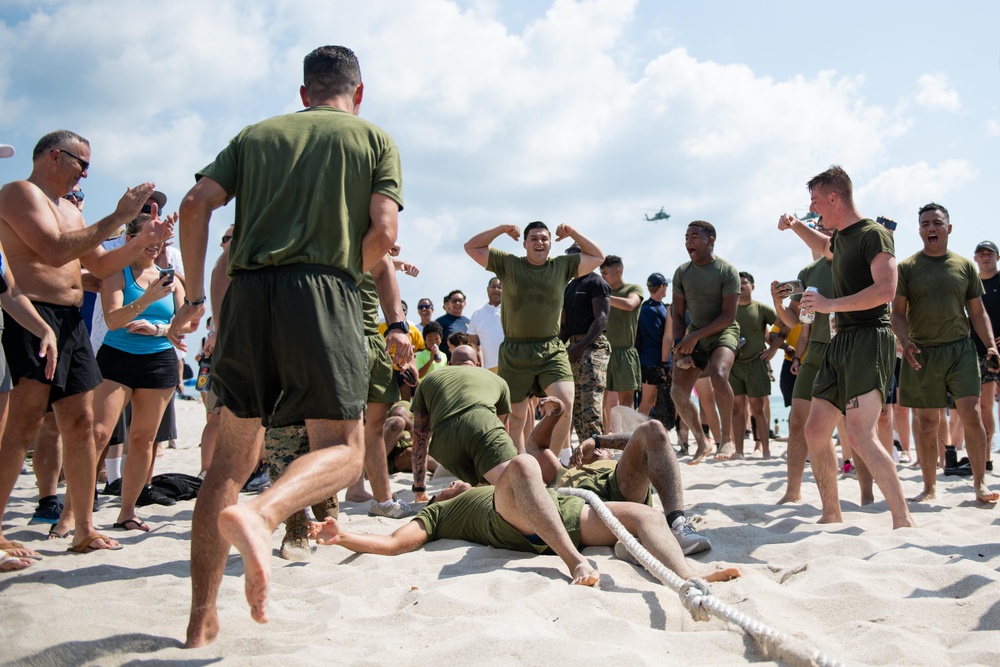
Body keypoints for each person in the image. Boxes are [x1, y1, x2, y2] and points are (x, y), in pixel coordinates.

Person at [168, 46, 403, 646]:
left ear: (304, 93)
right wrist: (344, 273)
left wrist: (195, 295)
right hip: (323, 290)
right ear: (359, 90)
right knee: (346, 448)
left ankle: (200, 619)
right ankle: (264, 513)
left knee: (229, 460)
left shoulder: (255, 135)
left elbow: (194, 206)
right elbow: (385, 232)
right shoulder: (371, 139)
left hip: (246, 293)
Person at [0, 130, 171, 556]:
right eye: (83, 164)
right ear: (55, 157)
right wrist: (116, 218)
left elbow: (98, 264)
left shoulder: (72, 212)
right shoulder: (19, 193)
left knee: (79, 424)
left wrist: (141, 241)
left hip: (72, 322)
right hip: (31, 317)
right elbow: (53, 251)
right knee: (21, 428)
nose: (86, 175)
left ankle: (84, 529)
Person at [309, 457, 739, 587]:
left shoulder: (477, 483)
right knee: (521, 465)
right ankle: (574, 562)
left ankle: (687, 576)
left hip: (564, 515)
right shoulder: (435, 513)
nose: (450, 484)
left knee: (644, 514)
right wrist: (343, 536)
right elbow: (394, 543)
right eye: (442, 485)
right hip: (509, 521)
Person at [779, 165, 914, 529]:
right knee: (814, 431)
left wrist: (828, 305)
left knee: (859, 433)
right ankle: (831, 513)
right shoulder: (838, 239)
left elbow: (886, 291)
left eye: (816, 201)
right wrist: (794, 225)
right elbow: (823, 247)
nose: (814, 207)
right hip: (842, 341)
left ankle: (902, 520)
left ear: (834, 197)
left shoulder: (874, 234)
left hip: (871, 336)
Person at [890, 203, 998, 503]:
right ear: (920, 230)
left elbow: (978, 313)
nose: (931, 228)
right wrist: (905, 340)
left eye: (937, 223)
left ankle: (979, 484)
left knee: (972, 414)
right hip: (921, 352)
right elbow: (896, 313)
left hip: (960, 350)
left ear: (949, 228)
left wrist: (989, 344)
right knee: (926, 422)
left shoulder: (964, 266)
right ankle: (929, 487)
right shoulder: (907, 268)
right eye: (925, 224)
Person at [464, 222, 604, 454]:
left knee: (565, 402)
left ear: (551, 243)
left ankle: (556, 463)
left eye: (544, 239)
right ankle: (522, 464)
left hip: (550, 348)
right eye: (534, 239)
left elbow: (597, 256)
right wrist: (501, 229)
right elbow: (471, 247)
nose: (539, 243)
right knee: (517, 416)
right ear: (525, 243)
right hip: (514, 351)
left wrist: (574, 234)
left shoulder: (562, 265)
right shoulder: (509, 263)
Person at [90, 213, 188, 532]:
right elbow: (114, 320)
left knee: (143, 439)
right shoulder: (116, 274)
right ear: (132, 238)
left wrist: (158, 329)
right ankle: (76, 512)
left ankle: (127, 512)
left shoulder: (171, 278)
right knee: (98, 434)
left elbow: (184, 324)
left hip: (158, 362)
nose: (155, 245)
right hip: (116, 357)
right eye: (149, 237)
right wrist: (146, 299)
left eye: (160, 240)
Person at [527, 396, 711, 555]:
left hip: (618, 489)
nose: (599, 450)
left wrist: (597, 440)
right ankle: (637, 543)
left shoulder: (617, 468)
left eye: (603, 450)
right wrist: (556, 413)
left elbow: (650, 439)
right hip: (579, 510)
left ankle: (677, 524)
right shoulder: (563, 473)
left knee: (654, 427)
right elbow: (535, 446)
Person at [770, 220, 836, 504]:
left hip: (849, 348)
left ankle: (866, 493)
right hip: (815, 351)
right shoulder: (808, 273)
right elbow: (799, 322)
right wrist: (777, 304)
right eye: (819, 227)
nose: (823, 231)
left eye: (829, 228)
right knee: (797, 420)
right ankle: (792, 491)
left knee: (850, 428)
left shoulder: (854, 263)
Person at [669, 221, 740, 464]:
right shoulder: (681, 272)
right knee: (677, 392)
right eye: (686, 236)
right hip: (694, 334)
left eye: (695, 236)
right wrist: (680, 347)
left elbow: (728, 316)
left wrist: (694, 337)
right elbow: (677, 316)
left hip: (723, 332)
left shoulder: (727, 271)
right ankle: (701, 442)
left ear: (711, 240)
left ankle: (727, 438)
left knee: (719, 374)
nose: (688, 241)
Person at [408, 345, 518, 497]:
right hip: (483, 425)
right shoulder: (498, 380)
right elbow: (503, 429)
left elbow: (420, 437)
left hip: (444, 443)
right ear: (478, 365)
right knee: (515, 491)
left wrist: (419, 490)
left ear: (450, 364)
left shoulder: (429, 378)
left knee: (482, 490)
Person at [560, 245, 611, 443]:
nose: (572, 262)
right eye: (568, 258)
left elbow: (601, 319)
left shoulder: (596, 281)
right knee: (577, 406)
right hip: (573, 349)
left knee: (591, 404)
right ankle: (585, 450)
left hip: (593, 348)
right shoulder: (569, 287)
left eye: (576, 257)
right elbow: (565, 326)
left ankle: (596, 452)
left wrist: (581, 346)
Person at [729, 272, 778, 459]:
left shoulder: (762, 309)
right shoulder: (728, 310)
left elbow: (784, 324)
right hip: (734, 366)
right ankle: (739, 451)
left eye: (744, 283)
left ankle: (765, 450)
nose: (741, 286)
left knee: (759, 409)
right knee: (737, 409)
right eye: (738, 284)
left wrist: (774, 349)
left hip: (757, 364)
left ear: (753, 286)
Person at [599, 256, 643, 428]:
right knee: (599, 401)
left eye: (605, 273)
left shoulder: (633, 288)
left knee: (627, 402)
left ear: (618, 271)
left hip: (625, 353)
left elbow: (630, 304)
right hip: (603, 352)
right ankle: (602, 441)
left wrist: (604, 297)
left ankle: (628, 440)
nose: (602, 277)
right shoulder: (602, 290)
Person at [971, 240, 1000, 457]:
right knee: (983, 406)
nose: (985, 257)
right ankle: (987, 456)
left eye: (989, 253)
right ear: (975, 258)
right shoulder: (972, 285)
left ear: (997, 257)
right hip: (977, 352)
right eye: (981, 254)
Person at [635, 273, 672, 419]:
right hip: (651, 363)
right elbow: (660, 337)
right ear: (661, 287)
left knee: (656, 400)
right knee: (647, 401)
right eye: (666, 286)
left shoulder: (661, 306)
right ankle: (634, 433)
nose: (667, 289)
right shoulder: (648, 310)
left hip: (658, 362)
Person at [467, 276, 503, 372]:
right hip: (488, 368)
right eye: (493, 287)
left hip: (512, 365)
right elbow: (472, 343)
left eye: (500, 287)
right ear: (487, 289)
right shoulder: (477, 313)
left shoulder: (512, 310)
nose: (496, 290)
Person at [434, 290, 469, 357]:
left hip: (466, 362)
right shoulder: (440, 322)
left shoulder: (470, 322)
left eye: (460, 300)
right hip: (447, 363)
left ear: (465, 303)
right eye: (454, 300)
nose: (457, 303)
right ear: (449, 303)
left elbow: (476, 345)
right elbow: (433, 343)